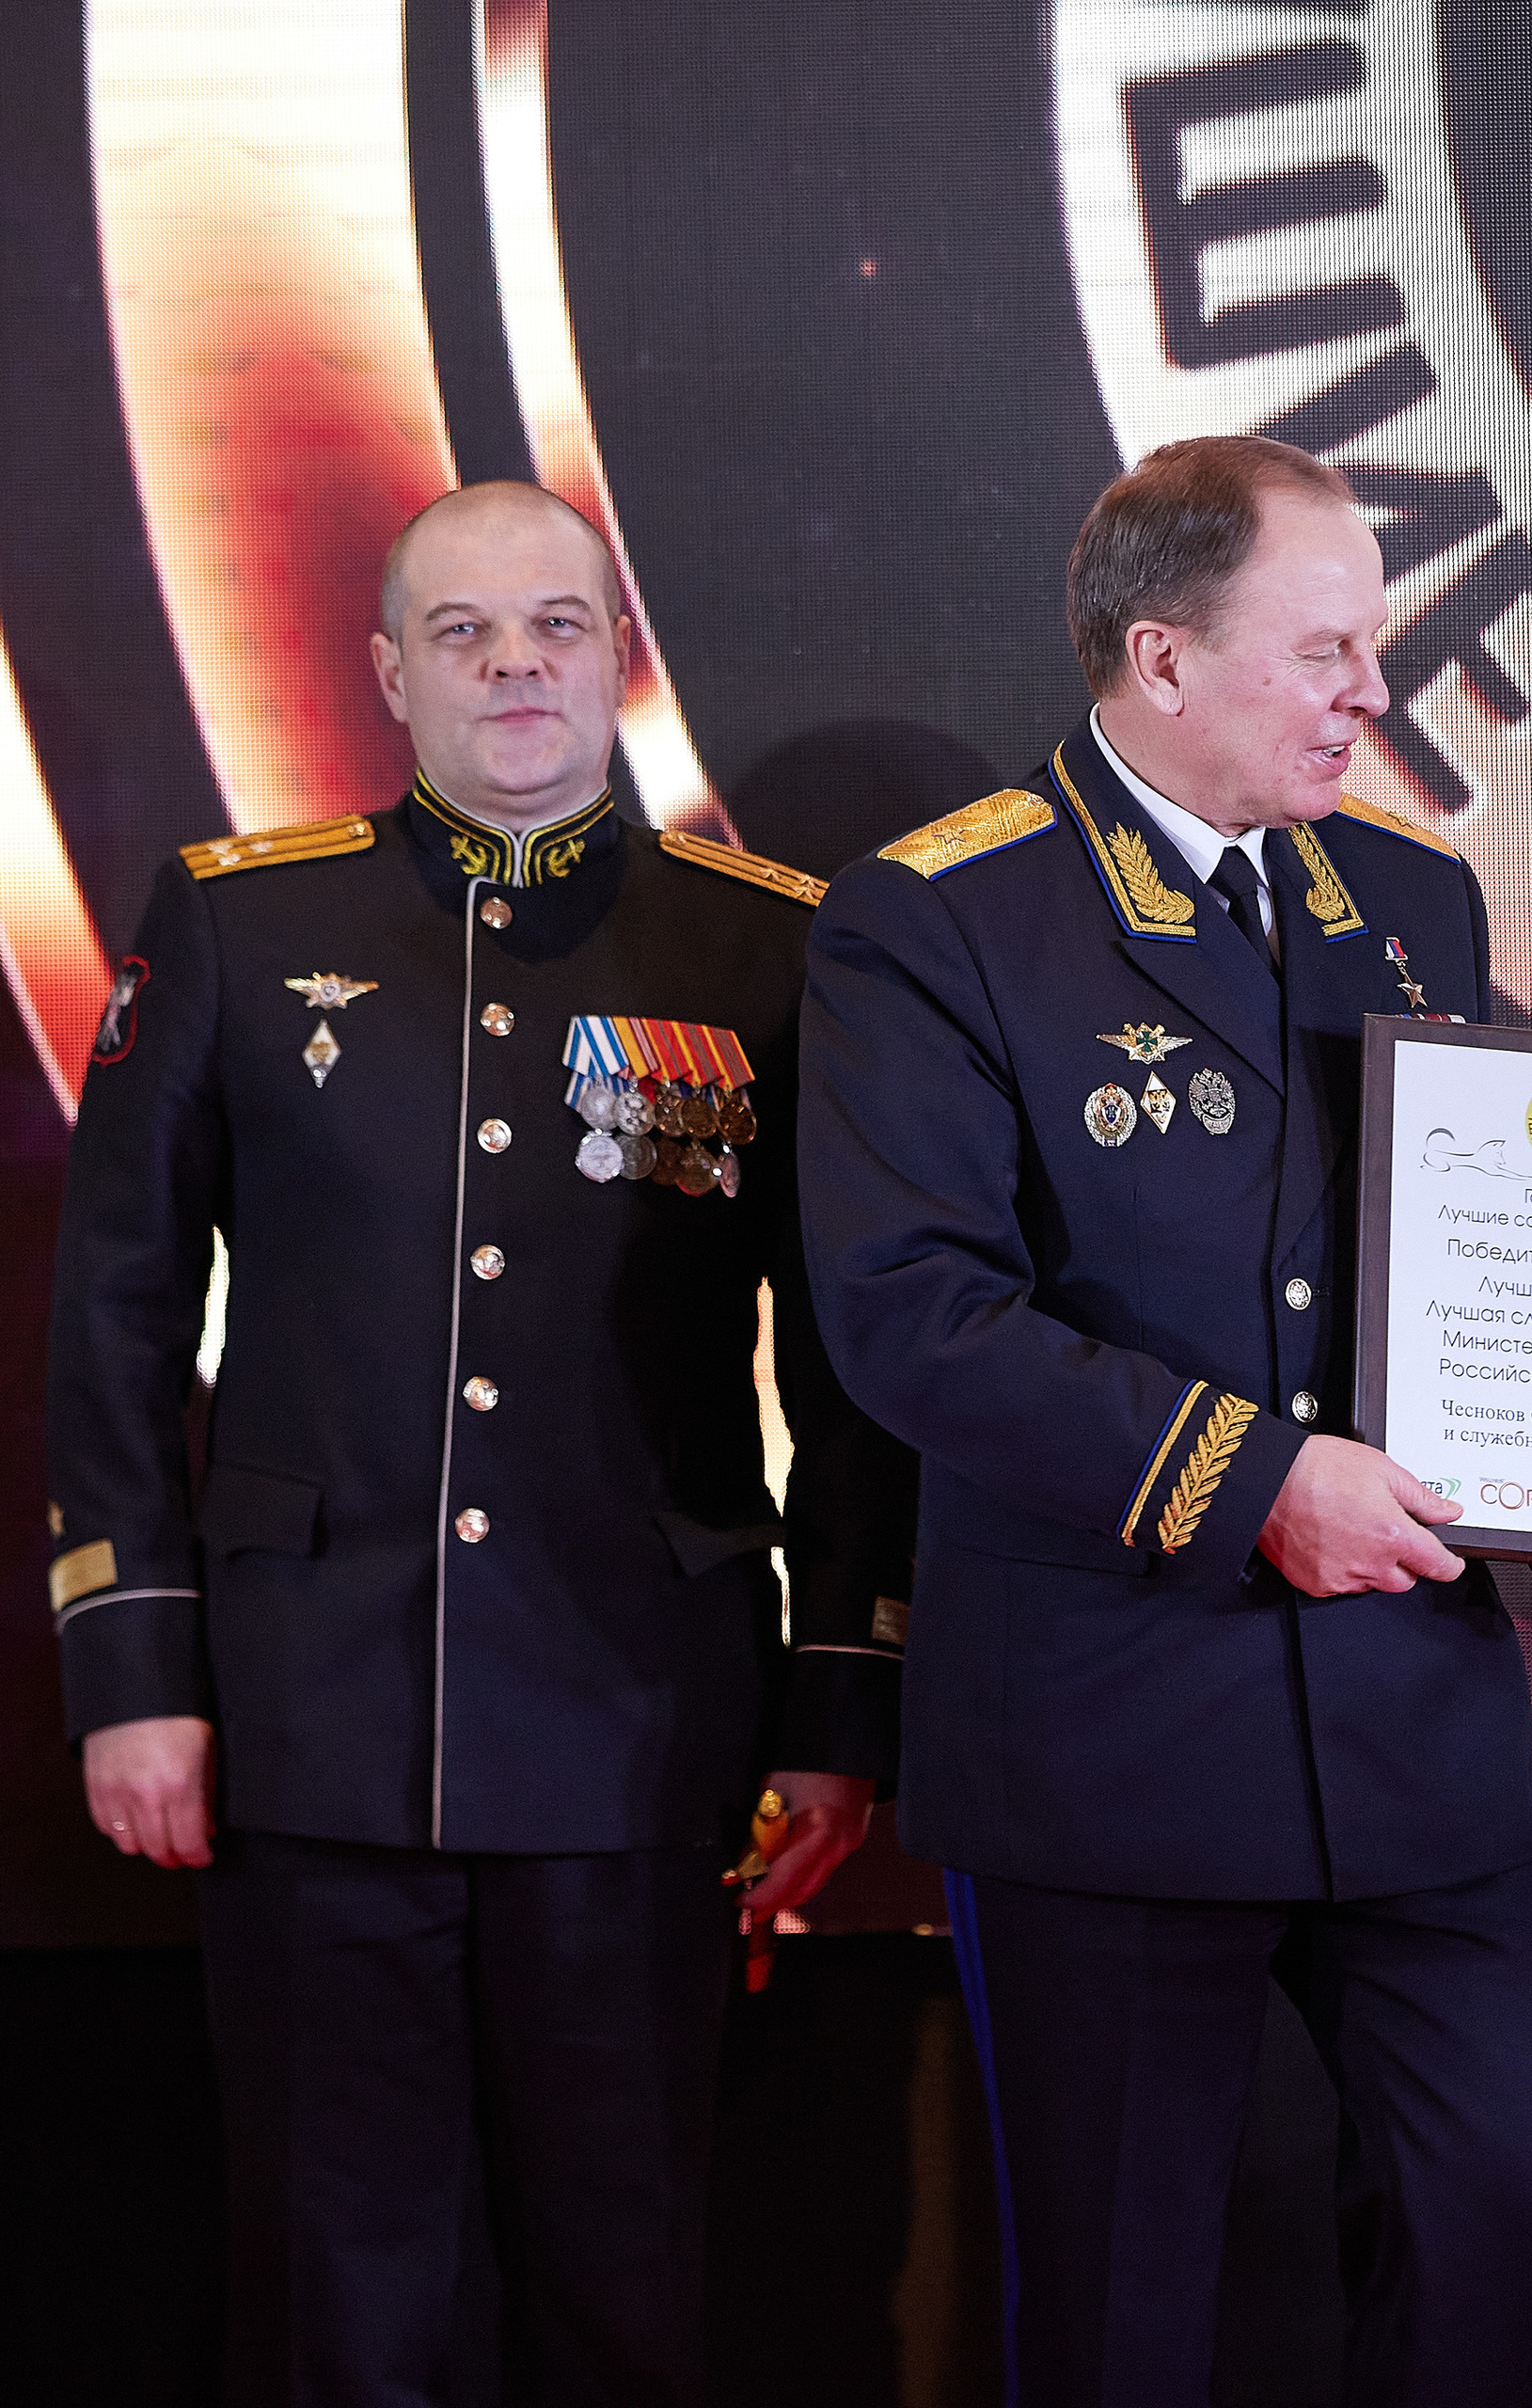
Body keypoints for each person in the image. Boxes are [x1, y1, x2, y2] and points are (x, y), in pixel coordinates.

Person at [797, 436, 1532, 2406]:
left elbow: (1457, 1281)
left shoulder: (1410, 897)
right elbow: (909, 1316)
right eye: (1328, 651)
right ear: (1160, 660)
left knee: (1504, 2267)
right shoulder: (933, 922)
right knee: (1121, 2319)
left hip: (1407, 1730)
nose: (1374, 692)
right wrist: (1253, 1477)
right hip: (1102, 1740)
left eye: (1369, 646)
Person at [45, 481, 913, 2405]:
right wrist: (131, 1666)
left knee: (624, 2286)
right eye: (462, 630)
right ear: (386, 670)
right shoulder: (244, 917)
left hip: (637, 1728)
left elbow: (851, 1367)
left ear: (618, 652)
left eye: (553, 625)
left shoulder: (766, 949)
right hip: (307, 1719)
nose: (513, 664)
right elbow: (113, 1307)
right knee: (332, 2295)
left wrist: (836, 1701)